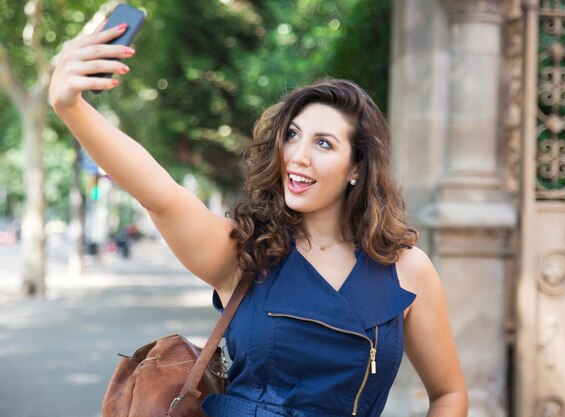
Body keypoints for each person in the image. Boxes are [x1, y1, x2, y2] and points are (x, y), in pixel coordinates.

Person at [49, 21, 468, 417]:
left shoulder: (407, 270)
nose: (298, 155)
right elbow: (160, 195)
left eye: (323, 143)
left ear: (357, 166)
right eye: (292, 134)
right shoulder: (245, 250)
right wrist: (71, 107)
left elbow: (449, 394)